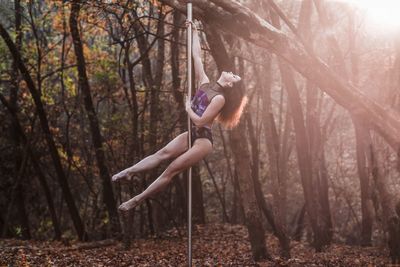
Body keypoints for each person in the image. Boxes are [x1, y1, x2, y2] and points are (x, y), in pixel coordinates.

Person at [112, 21, 247, 212]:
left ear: (230, 85)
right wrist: (193, 30)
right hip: (191, 133)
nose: (231, 73)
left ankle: (137, 200)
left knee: (171, 170)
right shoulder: (205, 82)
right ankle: (129, 171)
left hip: (202, 140)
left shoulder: (219, 99)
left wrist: (187, 108)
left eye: (234, 77)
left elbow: (200, 121)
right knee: (161, 154)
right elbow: (196, 55)